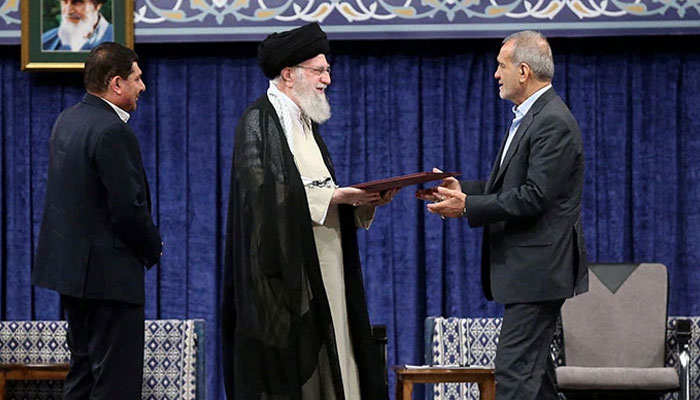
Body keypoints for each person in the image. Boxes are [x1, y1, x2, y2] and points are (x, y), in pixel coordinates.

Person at [221, 22, 394, 400]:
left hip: (329, 266)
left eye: (327, 70)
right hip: (285, 280)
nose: (327, 79)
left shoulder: (304, 123)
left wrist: (363, 202)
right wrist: (330, 199)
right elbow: (261, 196)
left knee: (341, 360)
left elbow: (321, 190)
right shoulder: (259, 121)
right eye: (319, 70)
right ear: (288, 74)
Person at [419, 30, 588, 400]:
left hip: (539, 273)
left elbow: (534, 197)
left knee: (512, 377)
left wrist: (467, 207)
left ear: (523, 71)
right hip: (530, 274)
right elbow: (509, 186)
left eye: (501, 66)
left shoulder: (552, 121)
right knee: (536, 382)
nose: (496, 74)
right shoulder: (530, 117)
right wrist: (462, 191)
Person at [32, 42, 162, 400]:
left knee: (83, 374)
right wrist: (154, 247)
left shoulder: (67, 120)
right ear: (117, 83)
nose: (143, 86)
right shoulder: (111, 130)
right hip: (110, 280)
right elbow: (128, 209)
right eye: (137, 78)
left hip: (74, 279)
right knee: (115, 384)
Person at [42, 0, 113, 51]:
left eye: (77, 2)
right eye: (64, 2)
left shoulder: (118, 39)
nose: (68, 11)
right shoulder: (44, 42)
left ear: (97, 5)